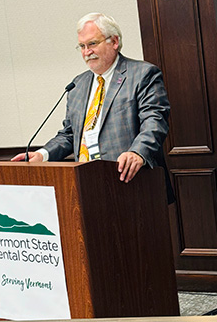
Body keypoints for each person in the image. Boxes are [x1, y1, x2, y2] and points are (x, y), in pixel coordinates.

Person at [12, 12, 173, 202]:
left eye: (92, 44)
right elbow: (70, 134)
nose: (87, 52)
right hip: (87, 184)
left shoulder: (143, 74)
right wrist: (42, 155)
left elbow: (154, 121)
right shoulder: (77, 85)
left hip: (131, 182)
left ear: (114, 41)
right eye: (82, 46)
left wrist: (137, 152)